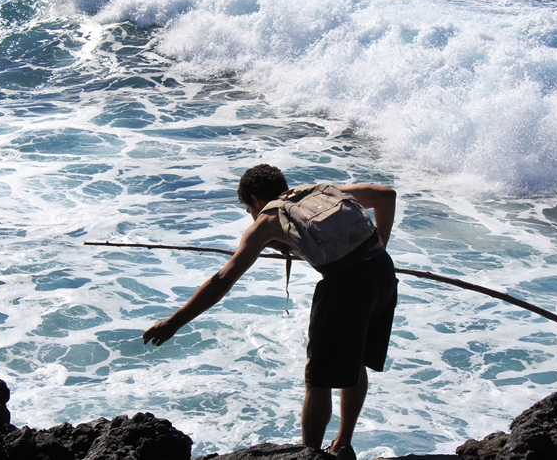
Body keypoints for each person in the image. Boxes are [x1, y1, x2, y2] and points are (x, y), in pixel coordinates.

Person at [143, 164, 398, 459]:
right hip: (383, 270)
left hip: (346, 286)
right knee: (356, 362)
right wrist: (381, 245)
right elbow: (385, 195)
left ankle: (310, 455)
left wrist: (174, 322)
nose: (251, 217)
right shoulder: (320, 191)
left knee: (319, 379)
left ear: (254, 200)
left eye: (248, 209)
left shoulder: (267, 220)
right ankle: (342, 444)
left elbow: (222, 281)